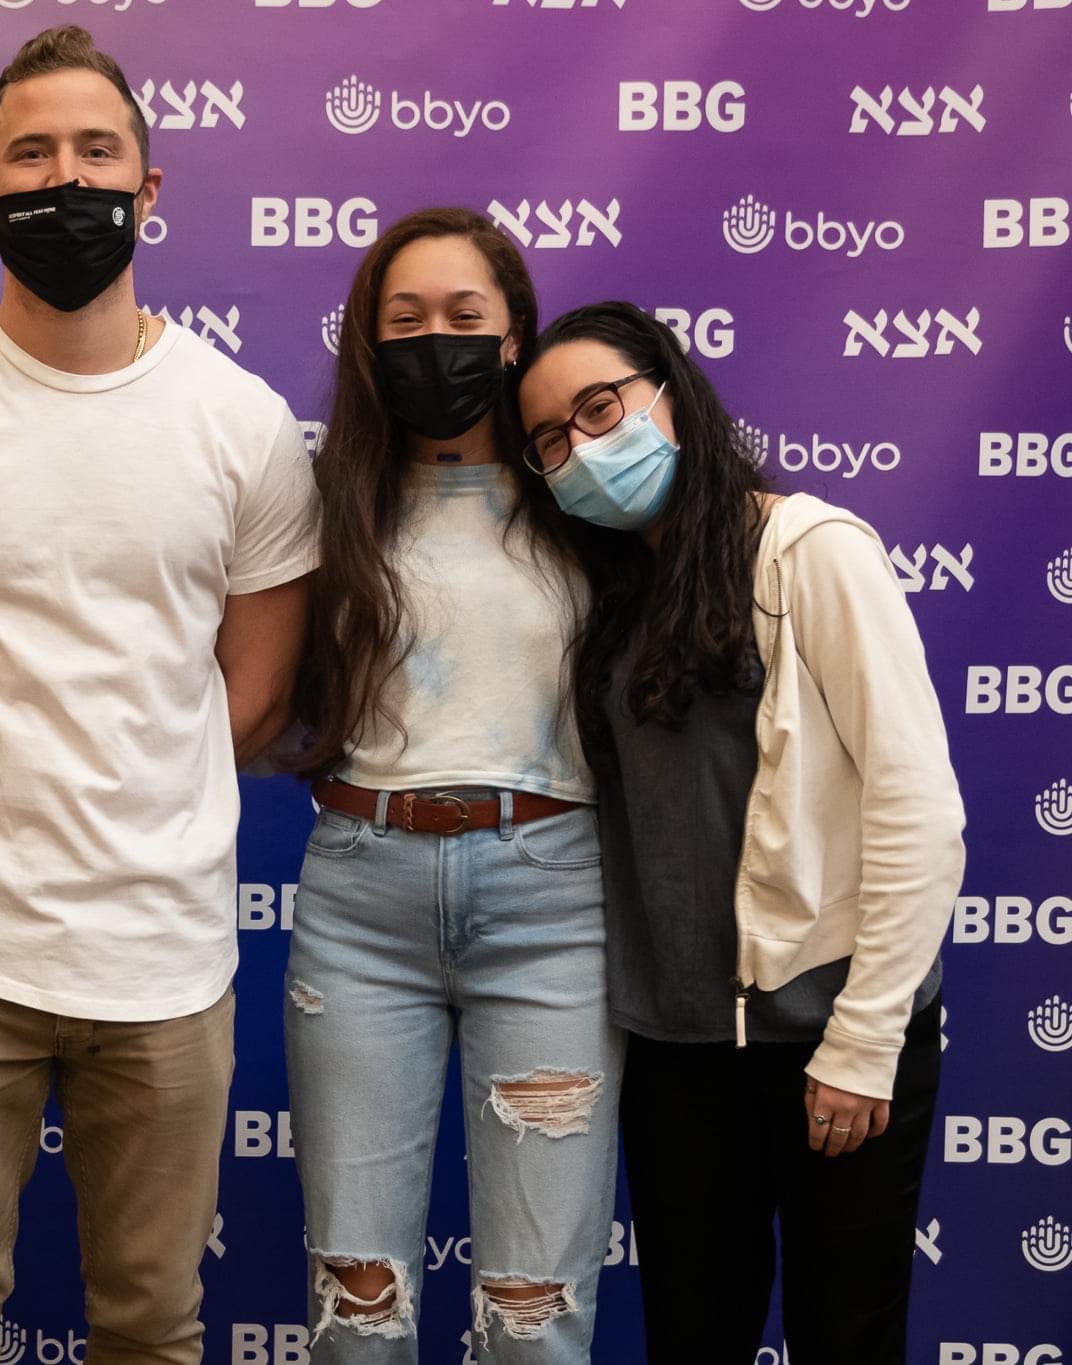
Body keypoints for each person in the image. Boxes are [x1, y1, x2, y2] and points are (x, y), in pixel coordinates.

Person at [0, 24, 318, 1365]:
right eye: (30, 155)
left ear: (149, 188)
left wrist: (137, 800)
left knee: (153, 1327)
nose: (66, 178)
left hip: (165, 954)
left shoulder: (241, 422)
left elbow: (255, 693)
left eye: (97, 152)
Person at [516, 300, 962, 1365]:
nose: (581, 447)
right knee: (690, 1337)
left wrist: (862, 1045)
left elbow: (917, 805)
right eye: (550, 439)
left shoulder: (807, 550)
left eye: (599, 408)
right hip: (677, 1049)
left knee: (845, 1337)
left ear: (669, 393)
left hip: (828, 1032)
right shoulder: (610, 599)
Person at [284, 207, 621, 1363]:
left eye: (463, 315)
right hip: (358, 908)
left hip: (552, 909)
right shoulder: (319, 502)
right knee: (356, 1311)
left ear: (514, 334)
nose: (435, 339)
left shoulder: (588, 501)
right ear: (367, 344)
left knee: (537, 1316)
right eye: (405, 319)